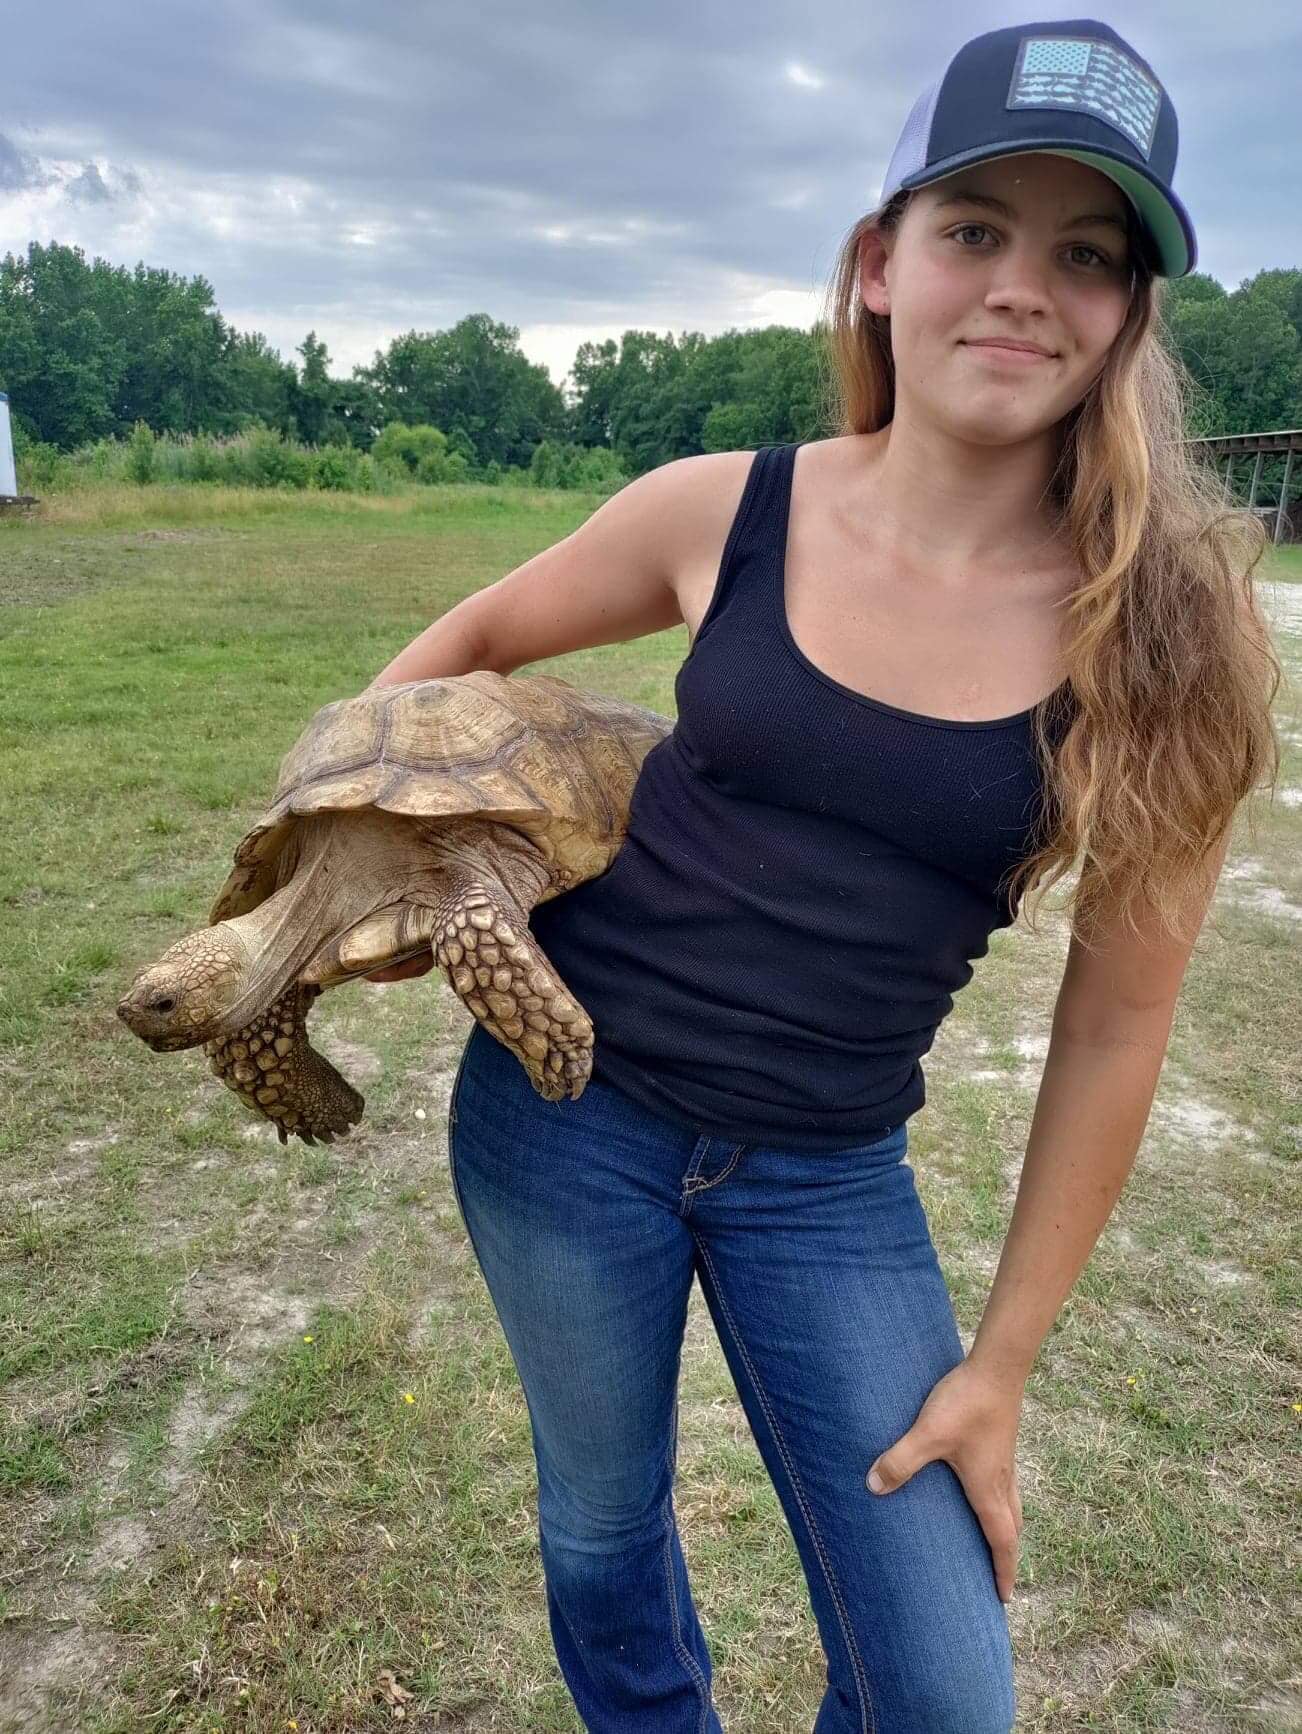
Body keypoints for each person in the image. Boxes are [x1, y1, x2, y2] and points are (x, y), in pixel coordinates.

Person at [364, 19, 1279, 1733]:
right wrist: (366, 829)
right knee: (603, 1526)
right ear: (878, 263)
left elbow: (1112, 1028)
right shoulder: (728, 507)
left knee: (944, 1693)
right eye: (972, 229)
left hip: (826, 1181)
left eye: (1085, 254)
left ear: (1127, 319)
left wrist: (997, 1366)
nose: (1022, 285)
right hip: (561, 1120)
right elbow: (474, 641)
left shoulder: (1167, 634)